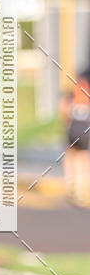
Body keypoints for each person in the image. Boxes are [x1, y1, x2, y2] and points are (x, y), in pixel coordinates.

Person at [60, 69, 90, 206]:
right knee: (82, 159)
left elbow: (64, 109)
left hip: (73, 127)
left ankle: (70, 184)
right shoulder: (86, 94)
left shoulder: (72, 94)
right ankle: (80, 190)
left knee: (71, 155)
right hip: (84, 128)